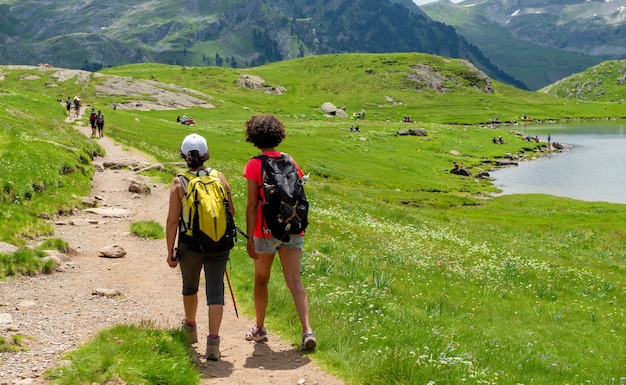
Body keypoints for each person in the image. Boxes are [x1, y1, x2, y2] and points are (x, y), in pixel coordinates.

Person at [242, 114, 316, 350]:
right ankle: (307, 331)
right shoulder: (290, 160)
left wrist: (249, 238)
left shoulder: (254, 164)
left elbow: (252, 204)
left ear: (253, 136)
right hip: (293, 227)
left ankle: (260, 329)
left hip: (265, 231)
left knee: (261, 279)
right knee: (295, 281)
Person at [166, 133, 235, 361]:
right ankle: (213, 344)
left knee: (190, 287)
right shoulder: (219, 177)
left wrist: (170, 251)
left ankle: (190, 329)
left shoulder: (179, 181)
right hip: (218, 244)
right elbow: (231, 212)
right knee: (216, 291)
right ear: (205, 155)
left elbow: (173, 220)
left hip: (190, 244)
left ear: (184, 156)